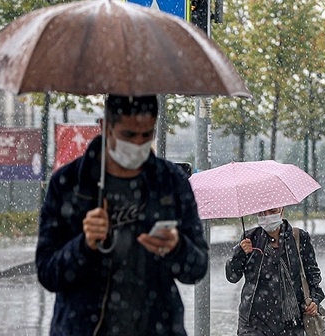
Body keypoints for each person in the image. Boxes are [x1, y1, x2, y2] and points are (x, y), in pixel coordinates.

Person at [36, 94, 208, 336]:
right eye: (128, 135)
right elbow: (47, 273)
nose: (138, 144)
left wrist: (177, 247)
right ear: (105, 127)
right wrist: (84, 245)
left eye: (146, 135)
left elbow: (197, 267)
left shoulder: (171, 182)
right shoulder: (69, 183)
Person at [225, 207, 325, 336]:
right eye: (261, 212)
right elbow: (232, 276)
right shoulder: (250, 238)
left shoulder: (298, 237)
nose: (267, 217)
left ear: (281, 210)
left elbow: (312, 274)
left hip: (291, 322)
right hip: (254, 322)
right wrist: (239, 252)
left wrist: (314, 300)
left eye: (272, 211)